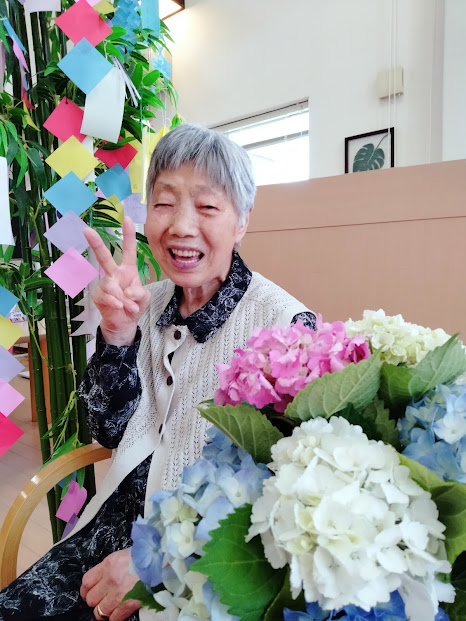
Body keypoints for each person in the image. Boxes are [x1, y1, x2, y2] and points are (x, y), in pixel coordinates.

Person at [0, 124, 316, 621]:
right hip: (109, 530)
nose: (182, 226)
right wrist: (117, 334)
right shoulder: (145, 302)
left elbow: (283, 490)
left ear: (242, 221)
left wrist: (163, 560)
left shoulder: (287, 328)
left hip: (201, 560)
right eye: (165, 204)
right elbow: (107, 431)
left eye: (207, 206)